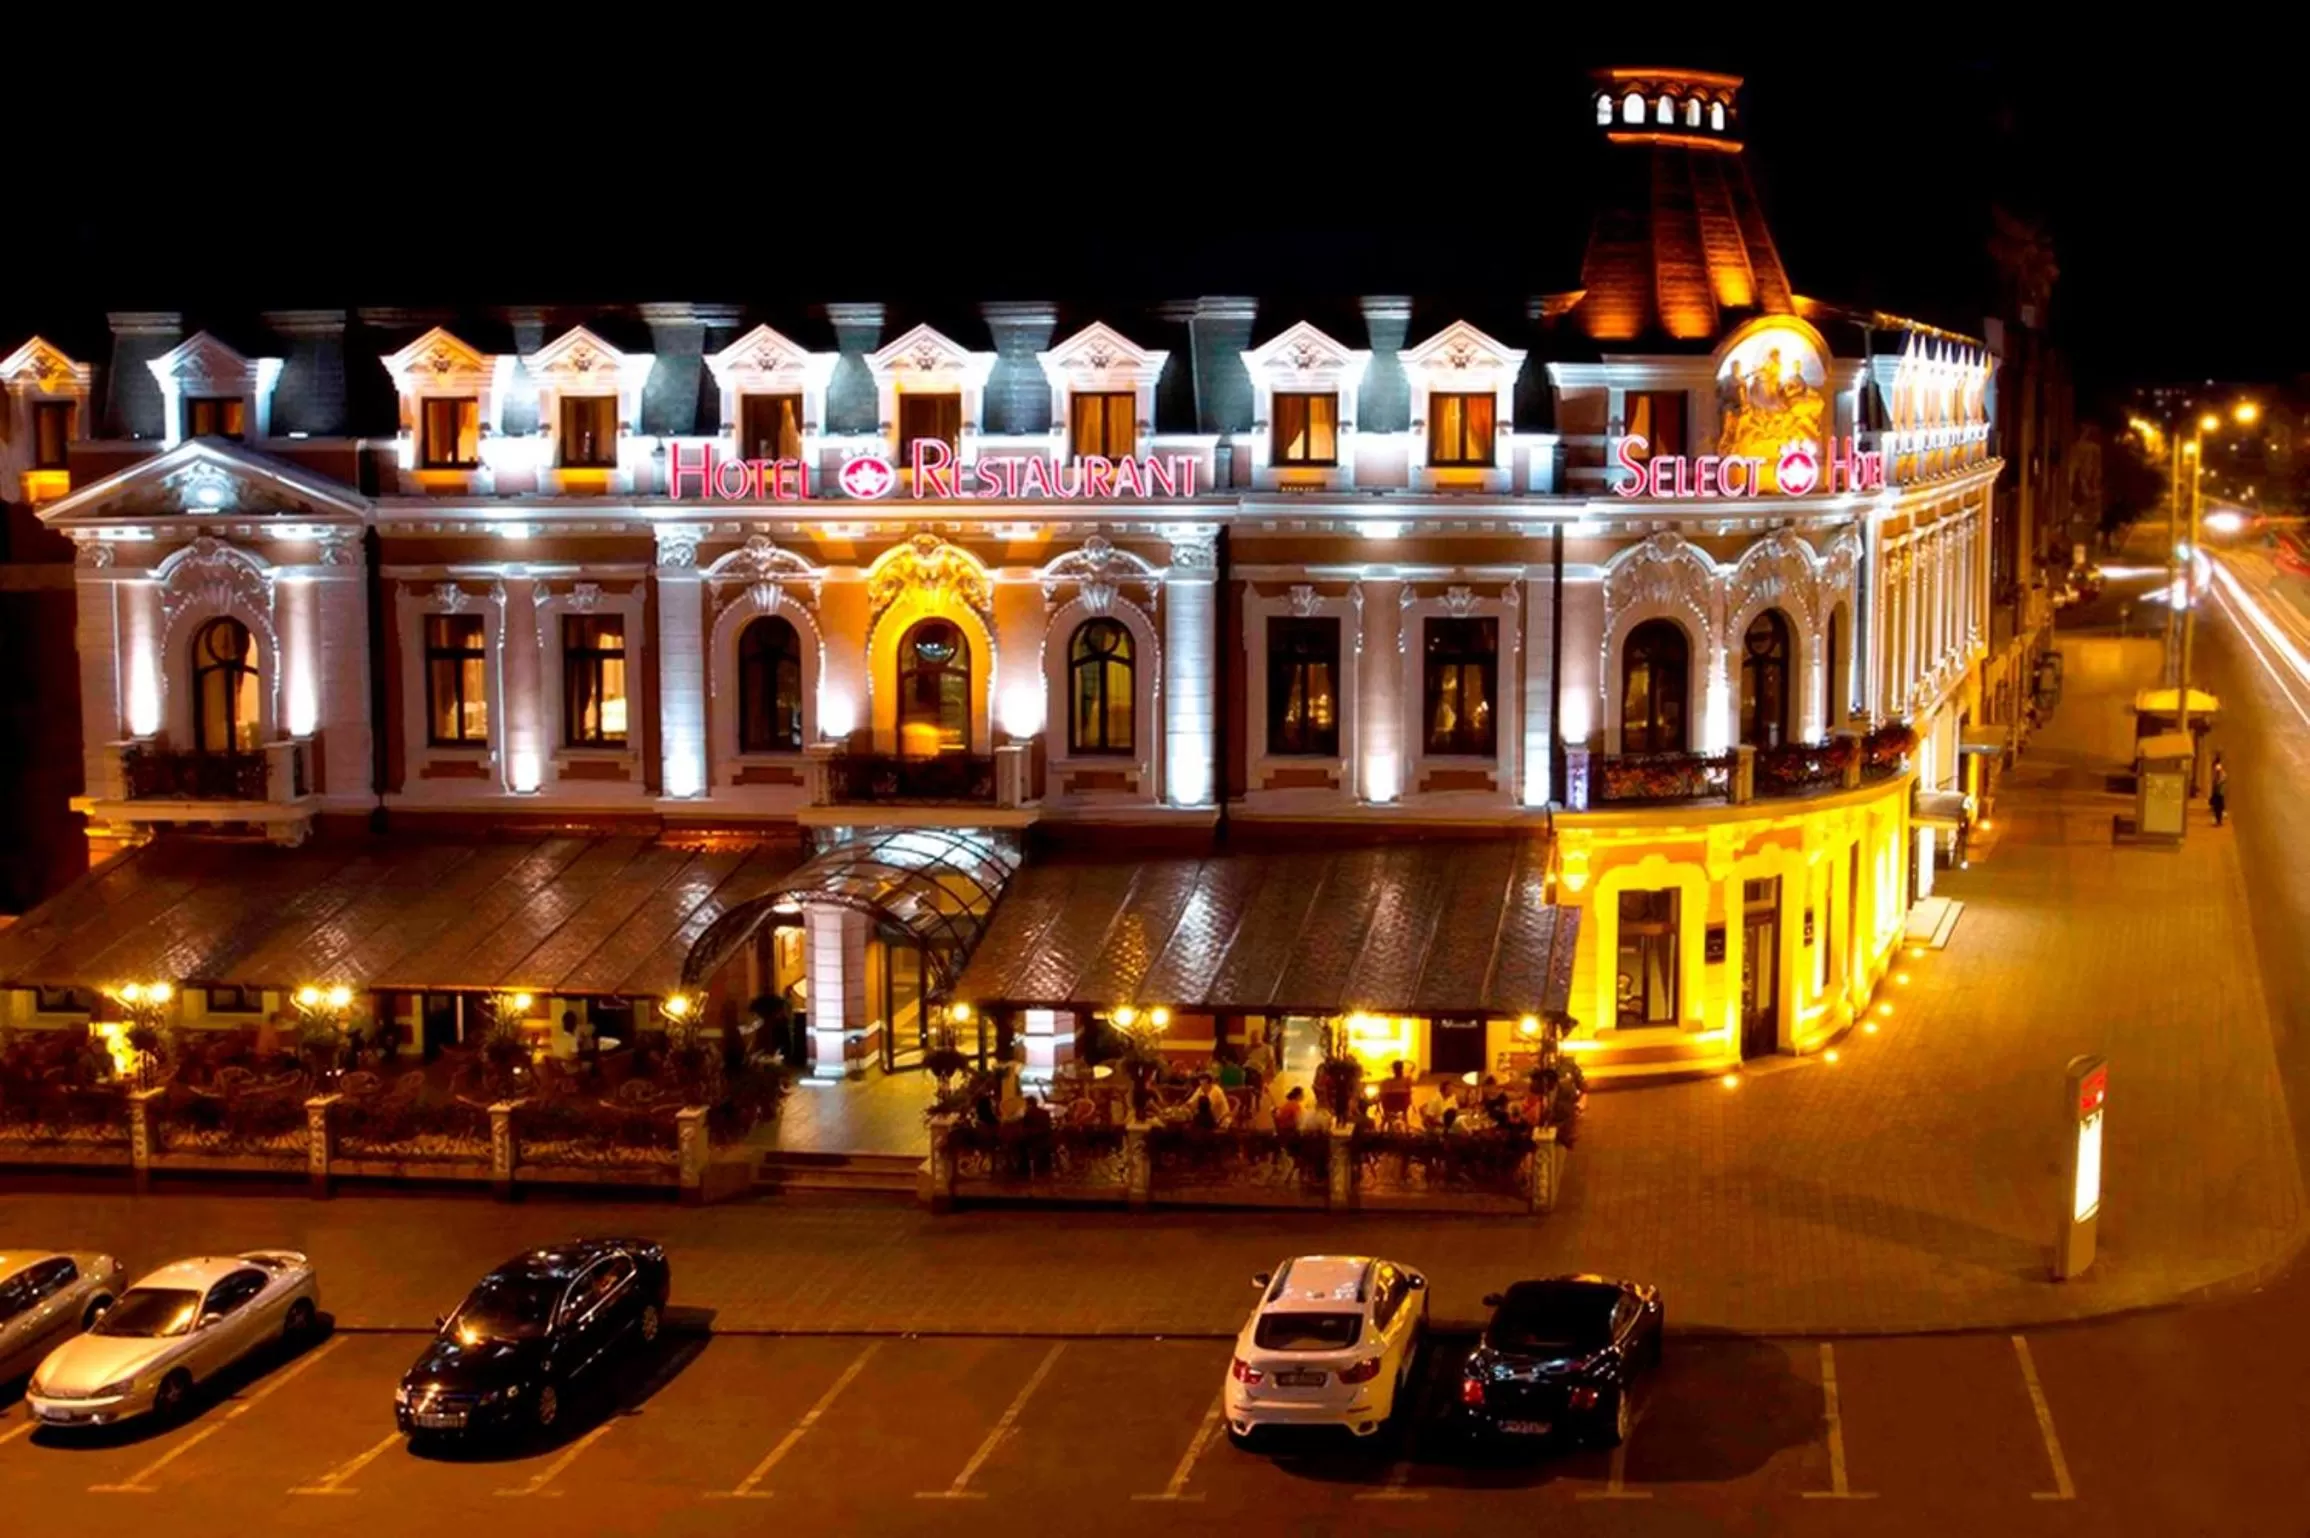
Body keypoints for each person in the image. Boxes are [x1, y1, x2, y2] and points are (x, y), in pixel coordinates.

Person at [2210, 751, 2229, 826]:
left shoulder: (2218, 767)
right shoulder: (2220, 767)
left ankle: (2218, 820)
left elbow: (2218, 777)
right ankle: (2218, 820)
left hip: (2218, 790)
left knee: (2218, 806)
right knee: (2218, 806)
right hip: (2219, 790)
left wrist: (2216, 783)